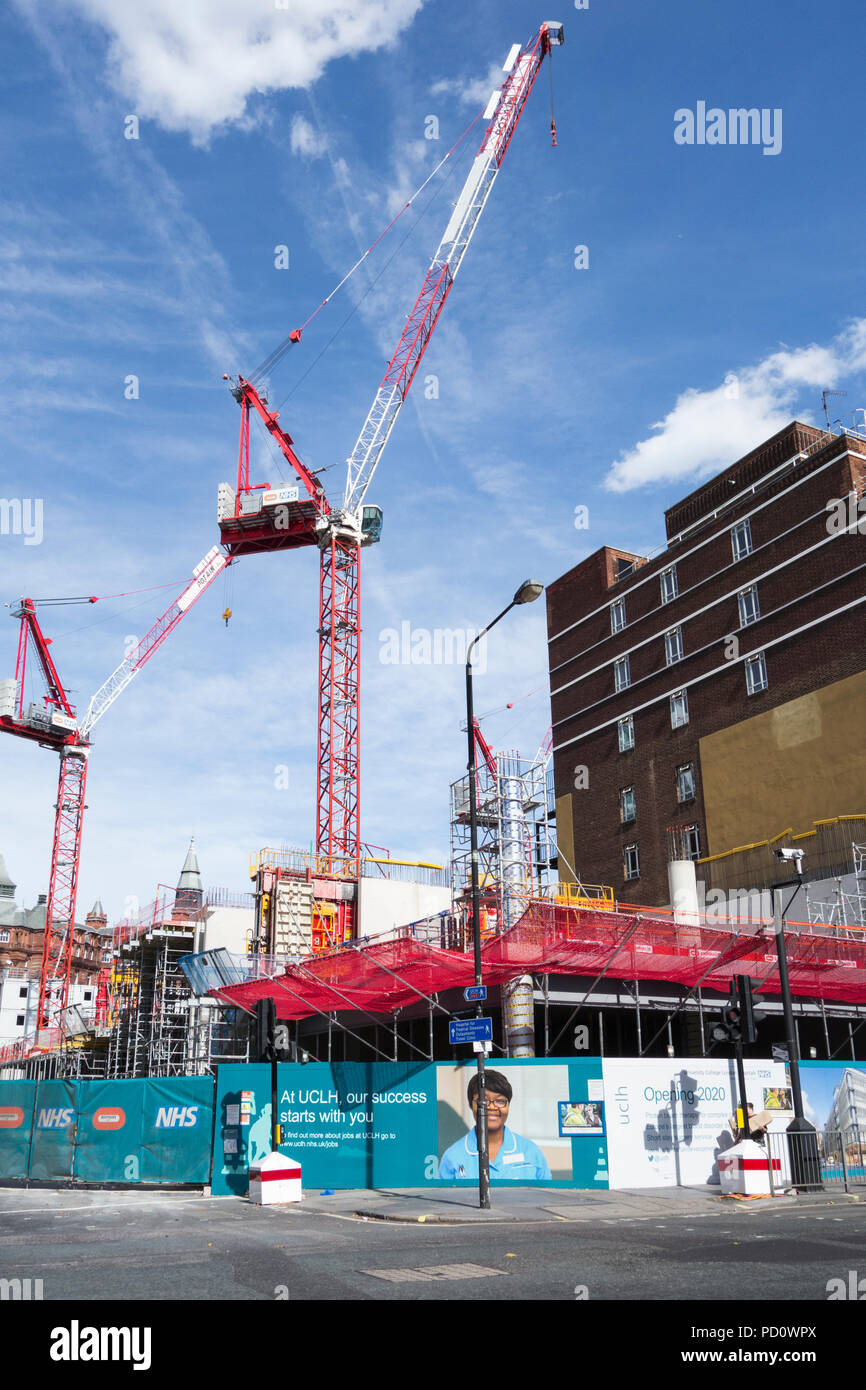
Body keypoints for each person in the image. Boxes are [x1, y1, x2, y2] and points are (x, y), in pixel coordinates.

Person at [438, 1070, 552, 1181]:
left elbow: (547, 1196)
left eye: (500, 1101)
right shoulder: (453, 1156)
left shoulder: (531, 1151)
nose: (492, 1107)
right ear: (471, 1104)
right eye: (483, 1100)